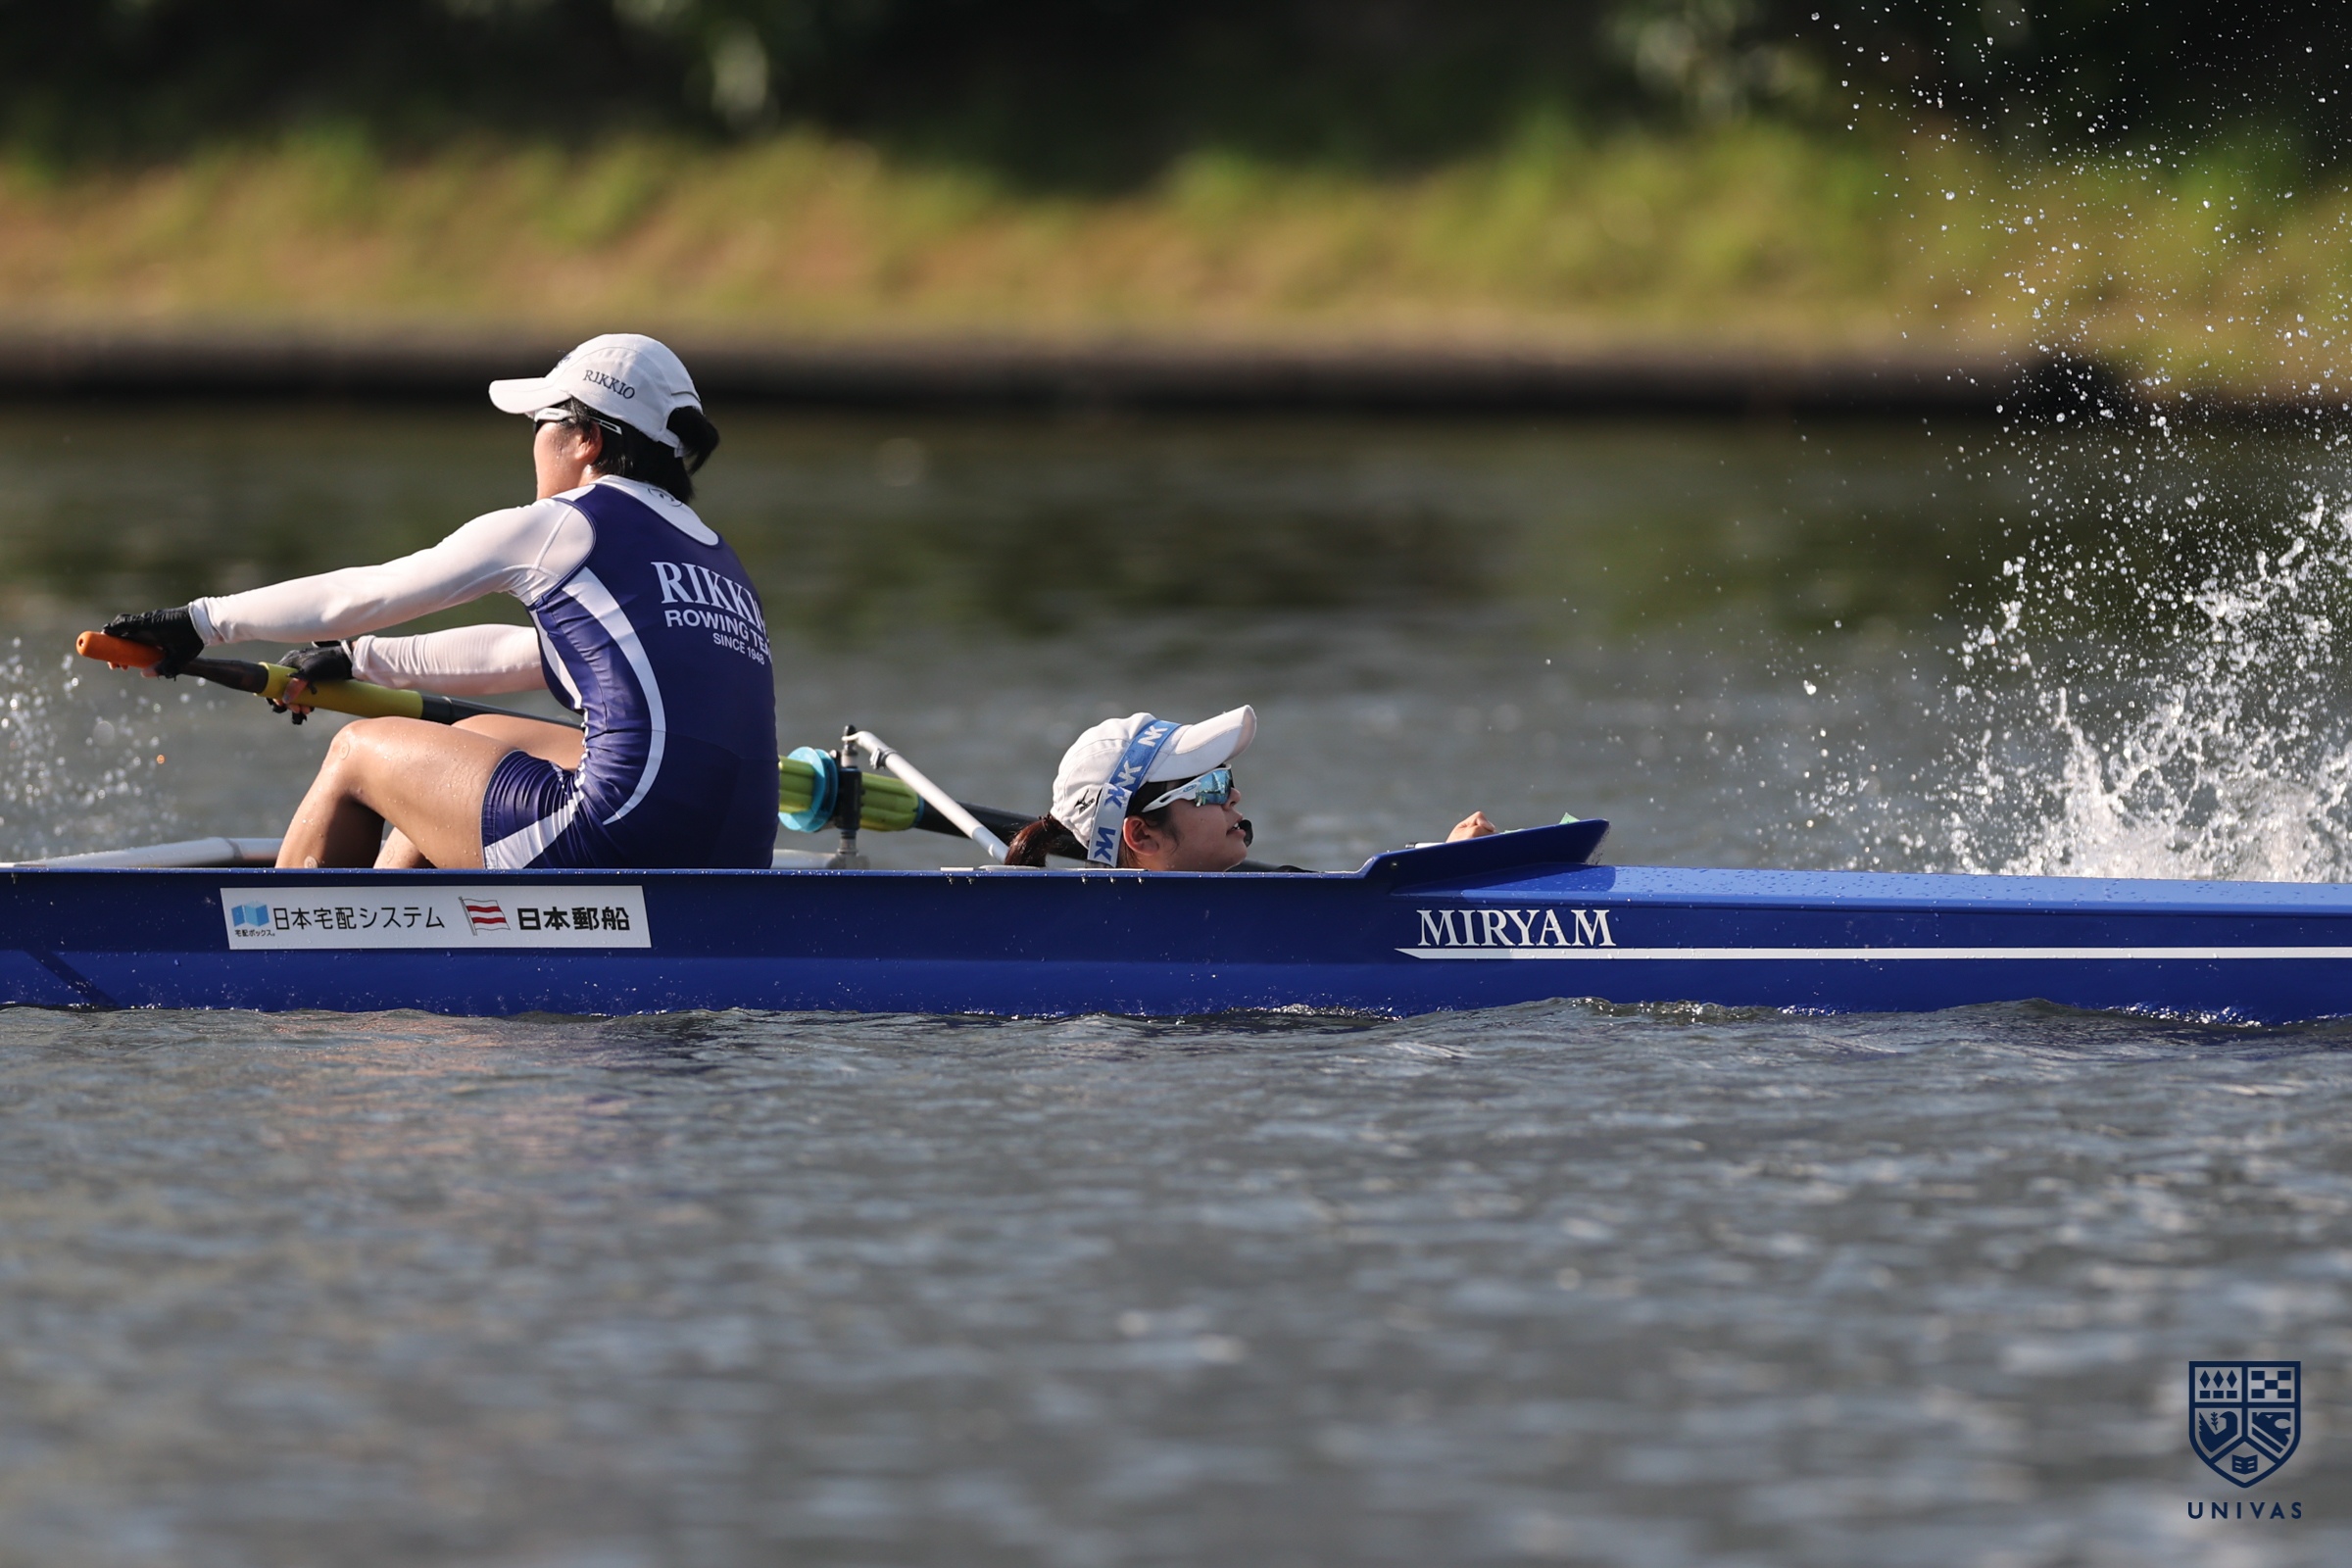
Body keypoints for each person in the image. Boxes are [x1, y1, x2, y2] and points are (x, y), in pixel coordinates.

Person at [101, 333, 779, 871]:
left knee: (358, 751)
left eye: (540, 422)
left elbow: (361, 593)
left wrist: (200, 622)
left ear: (585, 438)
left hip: (618, 840)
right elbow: (526, 654)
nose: (533, 442)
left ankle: (280, 954)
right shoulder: (715, 554)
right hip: (736, 855)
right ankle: (416, 946)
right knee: (475, 740)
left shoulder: (563, 524)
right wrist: (360, 659)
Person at [1004, 707, 1497, 870]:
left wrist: (1443, 861)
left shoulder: (1280, 892)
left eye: (1228, 778)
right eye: (1211, 787)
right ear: (1141, 835)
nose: (1234, 796)